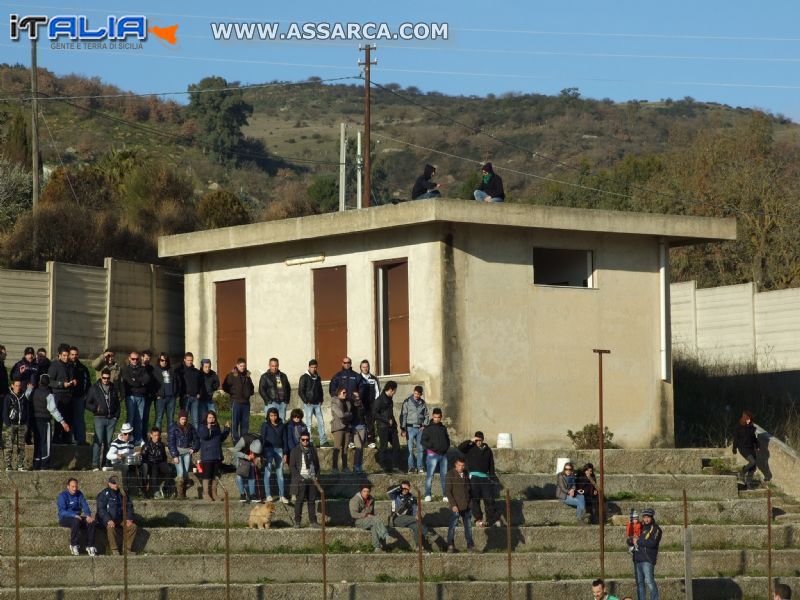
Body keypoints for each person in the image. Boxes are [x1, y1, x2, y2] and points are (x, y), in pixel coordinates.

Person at [458, 431, 499, 527]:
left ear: (483, 440)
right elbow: (460, 448)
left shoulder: (488, 450)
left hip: (485, 477)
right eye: (476, 440)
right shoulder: (470, 448)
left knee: (489, 499)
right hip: (474, 477)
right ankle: (478, 519)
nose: (478, 442)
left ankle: (490, 519)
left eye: (480, 440)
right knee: (475, 499)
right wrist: (470, 440)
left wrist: (492, 477)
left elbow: (491, 465)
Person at [31, 374, 70, 470]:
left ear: (40, 382)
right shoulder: (49, 395)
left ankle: (36, 463)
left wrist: (28, 389)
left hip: (35, 421)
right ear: (48, 383)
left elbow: (27, 396)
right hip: (45, 421)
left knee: (38, 442)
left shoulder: (33, 392)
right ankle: (45, 464)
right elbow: (53, 410)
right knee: (46, 443)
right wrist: (62, 422)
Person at [85, 368, 121, 471]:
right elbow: (87, 403)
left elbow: (117, 404)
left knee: (109, 442)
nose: (106, 380)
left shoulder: (113, 388)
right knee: (98, 441)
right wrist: (95, 408)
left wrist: (116, 416)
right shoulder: (94, 388)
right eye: (104, 378)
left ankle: (106, 463)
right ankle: (95, 464)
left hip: (111, 419)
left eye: (108, 378)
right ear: (101, 377)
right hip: (99, 418)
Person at [96, 476, 137, 555]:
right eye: (114, 483)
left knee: (133, 527)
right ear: (109, 484)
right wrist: (108, 520)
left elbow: (129, 506)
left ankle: (126, 550)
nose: (116, 485)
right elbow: (101, 509)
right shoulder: (103, 494)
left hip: (120, 518)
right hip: (107, 519)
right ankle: (114, 550)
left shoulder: (123, 493)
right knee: (111, 527)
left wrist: (129, 518)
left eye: (117, 483)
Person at [627, 507, 662, 600]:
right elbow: (630, 540)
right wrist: (631, 540)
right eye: (644, 517)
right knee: (640, 583)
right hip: (637, 559)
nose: (646, 519)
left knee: (650, 582)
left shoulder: (656, 529)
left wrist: (638, 541)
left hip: (647, 559)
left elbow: (653, 543)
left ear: (652, 517)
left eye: (648, 517)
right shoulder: (639, 527)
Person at [387, 480, 434, 550]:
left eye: (407, 488)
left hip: (408, 520)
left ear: (409, 488)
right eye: (403, 488)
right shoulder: (395, 495)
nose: (405, 490)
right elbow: (389, 491)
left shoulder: (412, 498)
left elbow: (415, 510)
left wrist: (418, 514)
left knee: (417, 525)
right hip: (396, 519)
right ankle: (428, 534)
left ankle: (418, 546)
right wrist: (400, 486)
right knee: (416, 519)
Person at [57, 478, 97, 556]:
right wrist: (74, 515)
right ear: (68, 487)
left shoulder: (79, 494)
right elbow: (62, 512)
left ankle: (90, 546)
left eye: (76, 487)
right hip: (65, 518)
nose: (75, 489)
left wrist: (88, 515)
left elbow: (85, 506)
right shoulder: (62, 496)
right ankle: (73, 545)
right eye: (73, 487)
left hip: (77, 517)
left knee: (91, 522)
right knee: (76, 521)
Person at [289, 431, 321, 528]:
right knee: (299, 501)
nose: (305, 441)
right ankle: (297, 522)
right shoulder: (295, 450)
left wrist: (316, 476)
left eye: (307, 439)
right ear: (300, 440)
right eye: (303, 439)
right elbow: (292, 466)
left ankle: (313, 522)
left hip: (312, 478)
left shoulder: (312, 450)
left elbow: (317, 465)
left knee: (311, 501)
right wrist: (298, 478)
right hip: (301, 479)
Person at [444, 457, 477, 553]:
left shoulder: (466, 473)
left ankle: (470, 546)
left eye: (462, 465)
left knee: (468, 527)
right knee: (452, 526)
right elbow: (448, 491)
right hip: (456, 505)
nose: (461, 467)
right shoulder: (450, 474)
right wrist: (453, 505)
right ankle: (450, 545)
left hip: (467, 505)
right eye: (459, 465)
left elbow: (469, 488)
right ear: (455, 465)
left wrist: (471, 503)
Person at [197, 410, 230, 502]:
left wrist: (226, 430)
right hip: (207, 456)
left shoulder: (216, 427)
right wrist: (208, 428)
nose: (212, 419)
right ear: (206, 418)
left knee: (215, 476)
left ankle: (214, 494)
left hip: (217, 455)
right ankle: (206, 494)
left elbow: (220, 438)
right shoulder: (202, 427)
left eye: (213, 417)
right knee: (207, 476)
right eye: (210, 417)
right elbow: (204, 436)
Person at [121, 351, 151, 446]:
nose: (135, 360)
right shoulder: (125, 369)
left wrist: (136, 381)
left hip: (141, 397)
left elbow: (147, 379)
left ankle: (138, 438)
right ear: (129, 359)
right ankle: (129, 439)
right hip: (131, 396)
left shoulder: (143, 369)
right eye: (133, 359)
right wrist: (139, 382)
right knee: (131, 418)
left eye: (137, 359)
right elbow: (129, 381)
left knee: (140, 419)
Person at [48, 343, 76, 444]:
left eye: (67, 355)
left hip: (69, 395)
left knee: (68, 418)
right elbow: (49, 381)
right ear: (59, 355)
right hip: (59, 395)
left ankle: (66, 438)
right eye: (63, 355)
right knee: (59, 419)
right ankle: (56, 439)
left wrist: (73, 382)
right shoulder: (54, 365)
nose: (66, 357)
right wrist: (61, 384)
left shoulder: (71, 365)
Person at [350, 484, 391, 552]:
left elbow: (372, 512)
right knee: (374, 520)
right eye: (364, 491)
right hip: (358, 521)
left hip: (369, 520)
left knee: (374, 525)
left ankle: (377, 547)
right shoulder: (355, 500)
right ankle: (386, 535)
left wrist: (371, 517)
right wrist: (365, 515)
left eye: (368, 491)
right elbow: (353, 514)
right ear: (360, 492)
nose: (366, 493)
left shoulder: (371, 499)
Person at [260, 407, 289, 503]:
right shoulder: (265, 425)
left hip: (279, 450)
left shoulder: (282, 426)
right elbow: (262, 439)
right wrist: (262, 453)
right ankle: (268, 495)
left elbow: (285, 440)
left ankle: (282, 496)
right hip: (268, 450)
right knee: (267, 473)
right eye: (271, 415)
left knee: (280, 473)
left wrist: (285, 453)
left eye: (275, 415)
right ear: (268, 416)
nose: (273, 417)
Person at [223, 357, 254, 444]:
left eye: (244, 366)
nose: (243, 367)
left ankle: (244, 440)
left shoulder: (247, 376)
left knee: (245, 423)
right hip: (236, 402)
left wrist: (249, 393)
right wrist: (232, 392)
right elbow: (225, 386)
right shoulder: (232, 375)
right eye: (241, 366)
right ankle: (235, 441)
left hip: (246, 403)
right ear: (237, 365)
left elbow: (251, 387)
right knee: (235, 422)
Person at [168, 410, 199, 499]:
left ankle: (183, 494)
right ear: (179, 418)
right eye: (182, 419)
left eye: (185, 419)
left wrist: (194, 448)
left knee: (185, 473)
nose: (184, 421)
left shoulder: (190, 427)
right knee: (180, 473)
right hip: (177, 452)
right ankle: (179, 495)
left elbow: (196, 439)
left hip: (187, 452)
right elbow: (171, 442)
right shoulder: (173, 427)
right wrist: (174, 455)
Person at [421, 408, 449, 502]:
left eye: (438, 417)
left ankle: (445, 495)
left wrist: (446, 447)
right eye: (435, 417)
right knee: (430, 475)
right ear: (432, 416)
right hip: (432, 455)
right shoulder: (428, 428)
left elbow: (447, 439)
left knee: (444, 476)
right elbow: (423, 441)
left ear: (441, 417)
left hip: (443, 455)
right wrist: (433, 447)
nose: (437, 419)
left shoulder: (443, 428)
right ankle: (428, 494)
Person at [298, 359, 328, 446]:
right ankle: (309, 440)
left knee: (321, 422)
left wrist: (321, 399)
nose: (313, 369)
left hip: (317, 403)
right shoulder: (304, 377)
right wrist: (306, 400)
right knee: (309, 423)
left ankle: (323, 441)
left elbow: (320, 389)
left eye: (315, 367)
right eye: (312, 367)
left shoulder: (318, 377)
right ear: (309, 367)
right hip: (309, 404)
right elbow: (300, 391)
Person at [400, 385, 429, 474]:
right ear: (413, 392)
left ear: (421, 394)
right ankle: (411, 467)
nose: (416, 395)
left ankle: (420, 467)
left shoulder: (423, 403)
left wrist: (424, 424)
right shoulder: (407, 401)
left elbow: (426, 415)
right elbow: (403, 415)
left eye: (418, 394)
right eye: (415, 393)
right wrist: (403, 428)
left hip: (420, 428)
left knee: (420, 449)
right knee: (410, 449)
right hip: (410, 428)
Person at [374, 381, 401, 473]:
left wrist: (395, 424)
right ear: (390, 389)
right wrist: (386, 420)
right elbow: (374, 413)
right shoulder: (379, 400)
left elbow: (391, 414)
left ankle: (395, 467)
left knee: (397, 447)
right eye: (394, 391)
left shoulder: (390, 399)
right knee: (384, 447)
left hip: (392, 427)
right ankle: (383, 467)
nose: (395, 392)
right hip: (383, 427)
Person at [3, 378, 30, 471]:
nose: (18, 387)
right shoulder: (8, 397)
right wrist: (8, 424)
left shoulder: (23, 397)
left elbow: (27, 410)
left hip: (22, 425)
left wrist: (26, 423)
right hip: (11, 425)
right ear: (12, 386)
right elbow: (5, 412)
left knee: (21, 447)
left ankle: (20, 465)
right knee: (9, 446)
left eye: (19, 385)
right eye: (16, 385)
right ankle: (8, 465)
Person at [733, 410, 763, 489]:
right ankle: (742, 472)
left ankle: (748, 484)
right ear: (744, 418)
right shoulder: (738, 427)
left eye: (750, 419)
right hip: (743, 448)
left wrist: (757, 445)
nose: (749, 420)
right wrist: (734, 448)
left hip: (751, 448)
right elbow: (735, 439)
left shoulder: (751, 427)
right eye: (747, 418)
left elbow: (753, 438)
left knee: (753, 467)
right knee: (752, 462)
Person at [175, 352, 203, 430]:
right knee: (184, 419)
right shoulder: (180, 371)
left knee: (195, 420)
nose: (190, 362)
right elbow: (173, 370)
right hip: (185, 398)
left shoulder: (196, 372)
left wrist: (199, 393)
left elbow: (201, 384)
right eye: (188, 360)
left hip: (195, 399)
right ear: (184, 360)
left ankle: (195, 439)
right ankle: (184, 437)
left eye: (191, 360)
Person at [68, 346, 90, 445]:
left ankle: (81, 439)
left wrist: (85, 394)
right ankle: (69, 438)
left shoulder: (82, 368)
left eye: (76, 354)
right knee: (69, 418)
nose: (74, 356)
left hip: (79, 397)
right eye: (72, 354)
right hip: (67, 397)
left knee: (79, 419)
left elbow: (87, 382)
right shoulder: (66, 366)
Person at [141, 427, 172, 499]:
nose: (156, 437)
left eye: (158, 435)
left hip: (161, 462)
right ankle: (155, 492)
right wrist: (149, 464)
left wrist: (165, 464)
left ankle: (165, 488)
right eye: (155, 435)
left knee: (169, 470)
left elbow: (164, 456)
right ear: (151, 435)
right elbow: (144, 458)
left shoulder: (161, 445)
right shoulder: (146, 445)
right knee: (154, 472)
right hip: (151, 463)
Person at [232, 433, 262, 503]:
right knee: (239, 475)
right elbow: (235, 451)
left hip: (250, 456)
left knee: (251, 474)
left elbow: (259, 453)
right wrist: (246, 456)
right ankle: (242, 494)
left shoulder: (260, 441)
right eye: (254, 452)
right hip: (240, 454)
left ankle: (252, 495)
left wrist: (257, 457)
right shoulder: (244, 440)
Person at [259, 357, 291, 422]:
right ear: (269, 366)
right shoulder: (265, 376)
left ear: (278, 365)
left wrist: (286, 400)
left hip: (282, 403)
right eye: (272, 366)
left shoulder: (283, 376)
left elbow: (288, 388)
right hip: (271, 403)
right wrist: (268, 401)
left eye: (276, 366)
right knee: (269, 422)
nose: (274, 368)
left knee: (282, 422)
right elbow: (261, 389)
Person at [152, 353, 177, 434]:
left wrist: (175, 393)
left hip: (171, 398)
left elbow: (176, 382)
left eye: (166, 360)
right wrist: (156, 394)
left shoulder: (171, 369)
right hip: (161, 398)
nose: (164, 362)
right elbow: (152, 384)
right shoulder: (155, 370)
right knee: (159, 419)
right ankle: (156, 438)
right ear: (159, 360)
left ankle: (171, 440)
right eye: (162, 360)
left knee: (171, 420)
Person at [357, 359, 380, 448]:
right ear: (361, 368)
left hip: (371, 405)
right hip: (360, 405)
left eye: (367, 367)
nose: (365, 369)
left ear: (369, 367)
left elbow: (377, 392)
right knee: (360, 422)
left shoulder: (373, 379)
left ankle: (371, 441)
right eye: (363, 367)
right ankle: (360, 441)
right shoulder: (358, 378)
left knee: (370, 423)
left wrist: (376, 403)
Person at [330, 387, 353, 473]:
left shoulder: (347, 402)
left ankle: (345, 467)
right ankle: (334, 467)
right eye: (343, 392)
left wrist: (347, 415)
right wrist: (348, 414)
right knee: (337, 448)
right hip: (338, 427)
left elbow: (351, 415)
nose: (345, 394)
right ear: (339, 393)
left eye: (346, 392)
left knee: (345, 448)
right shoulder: (334, 402)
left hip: (347, 427)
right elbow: (340, 415)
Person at [350, 390, 368, 473]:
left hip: (363, 427)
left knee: (361, 448)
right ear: (353, 397)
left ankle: (359, 466)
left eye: (358, 396)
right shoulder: (351, 405)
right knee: (359, 447)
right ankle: (356, 466)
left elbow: (365, 415)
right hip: (355, 428)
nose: (358, 398)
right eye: (356, 396)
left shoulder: (362, 404)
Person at [140, 350, 156, 435]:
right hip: (139, 395)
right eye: (146, 358)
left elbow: (152, 382)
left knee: (145, 417)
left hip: (148, 397)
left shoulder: (151, 369)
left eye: (149, 359)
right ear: (142, 357)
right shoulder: (138, 367)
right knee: (138, 417)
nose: (147, 360)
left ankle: (143, 435)